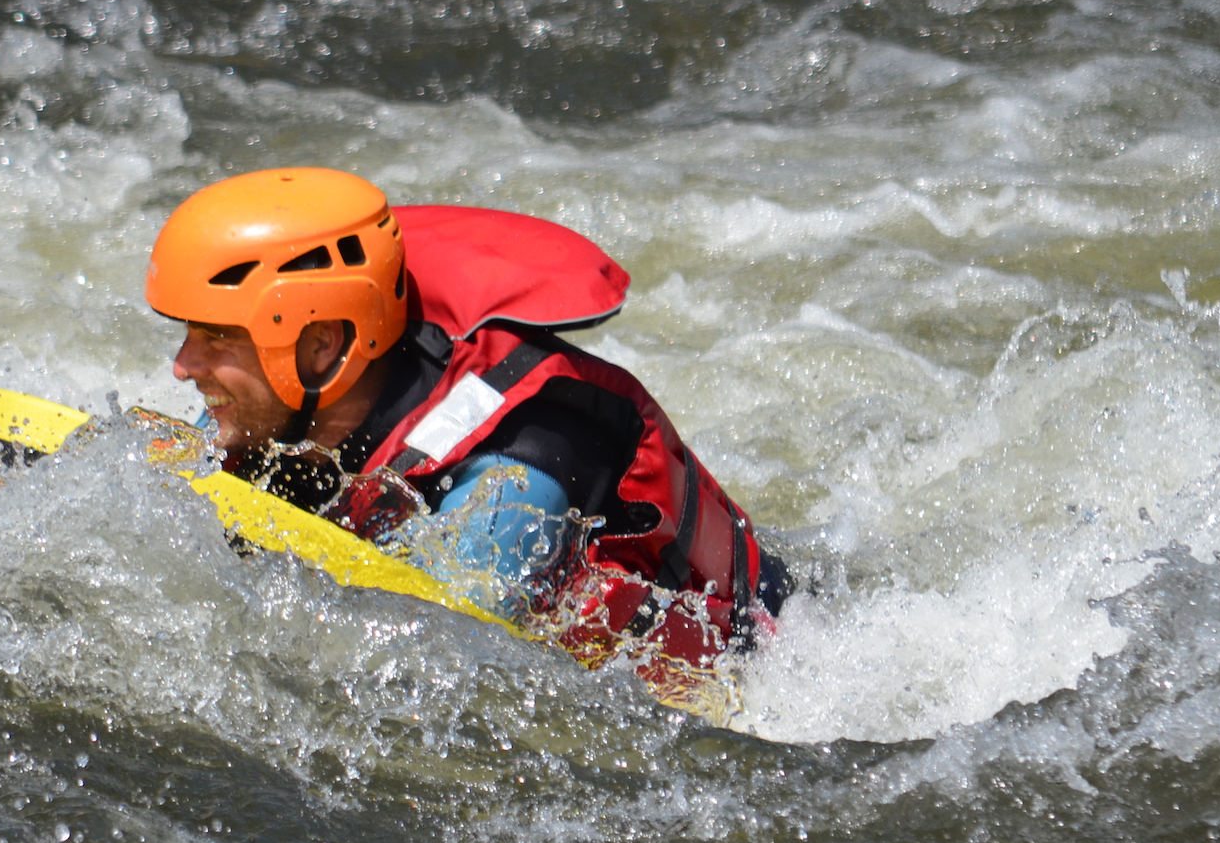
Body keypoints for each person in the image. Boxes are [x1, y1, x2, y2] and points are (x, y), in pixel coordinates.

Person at [145, 166, 788, 669]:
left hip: (761, 675)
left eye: (217, 337)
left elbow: (416, 677)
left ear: (321, 344)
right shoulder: (290, 409)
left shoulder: (510, 484)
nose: (182, 365)